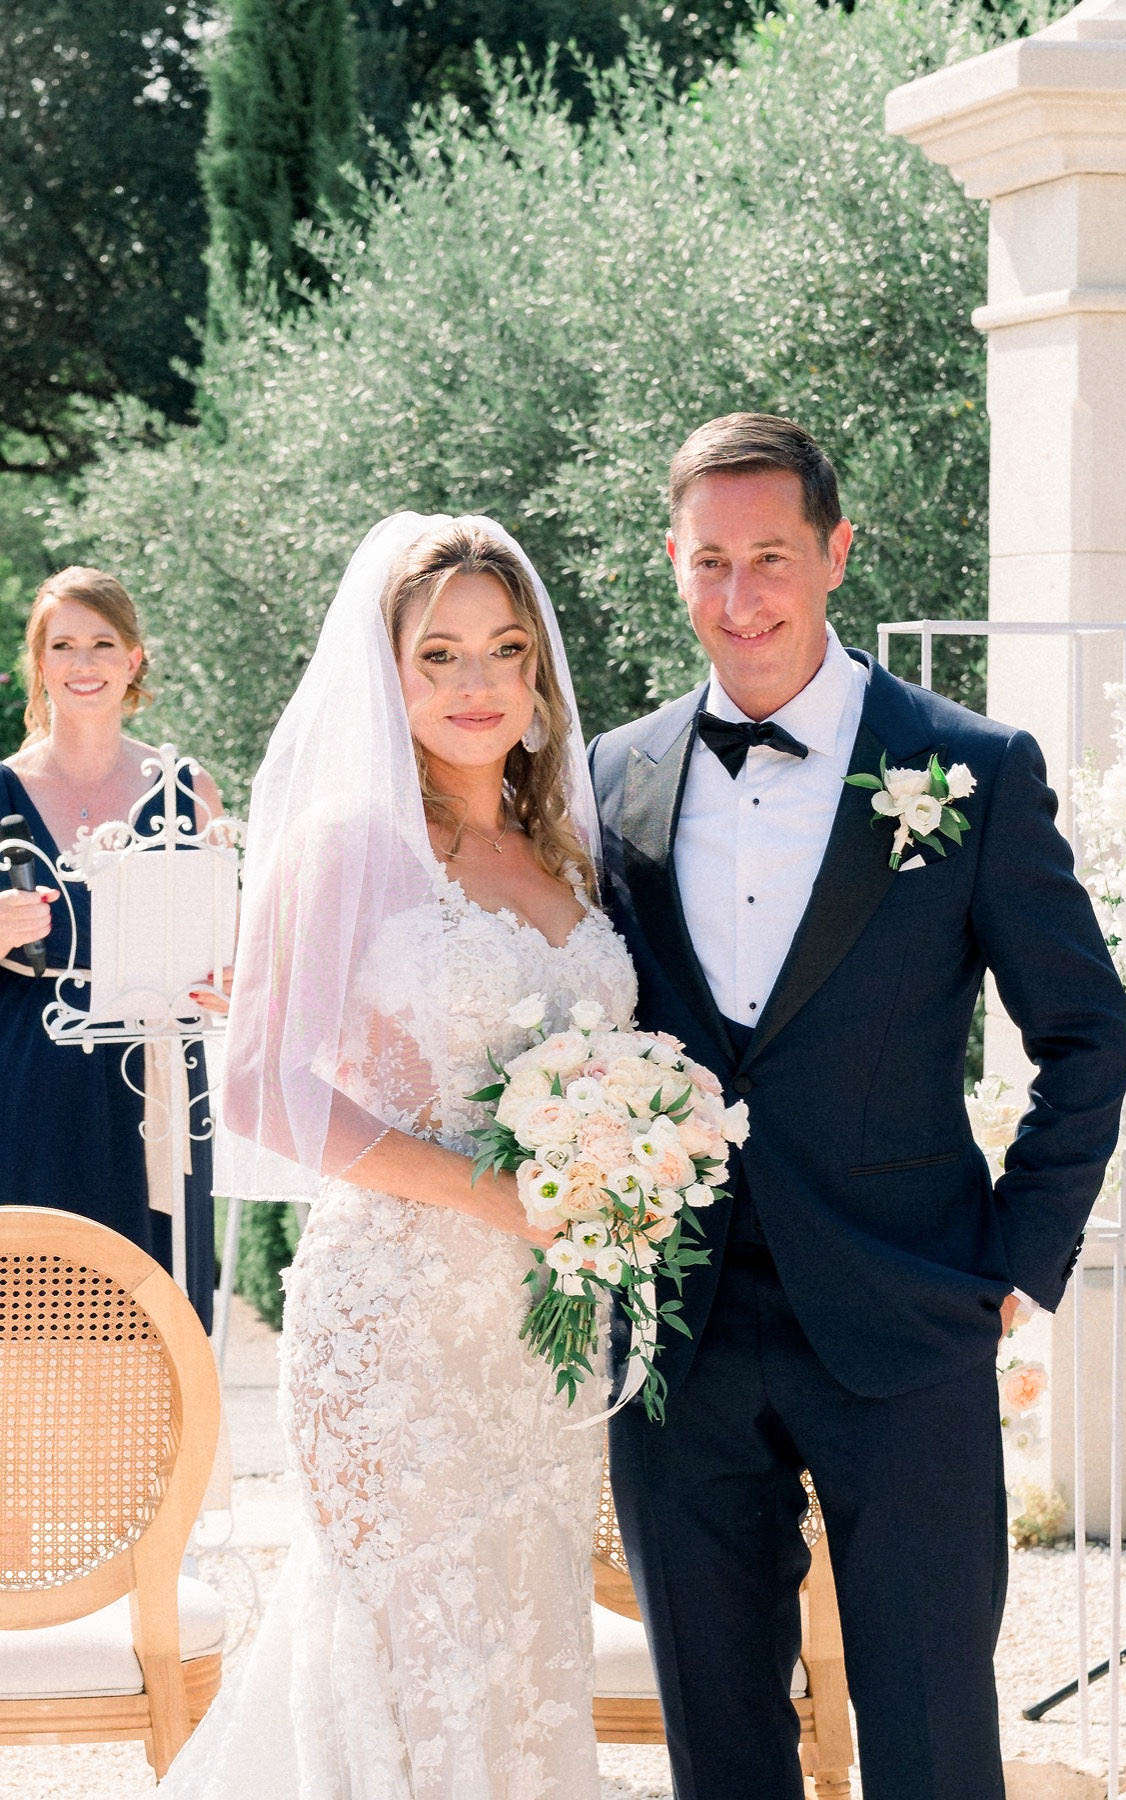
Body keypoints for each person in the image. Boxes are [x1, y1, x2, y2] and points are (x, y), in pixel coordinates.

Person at [588, 414, 1126, 1800]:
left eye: (771, 556)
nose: (742, 596)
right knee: (718, 1743)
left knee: (934, 1733)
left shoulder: (971, 767)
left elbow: (1088, 1035)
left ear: (836, 552)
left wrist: (1015, 1266)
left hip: (908, 1317)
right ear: (673, 567)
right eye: (709, 561)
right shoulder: (612, 780)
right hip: (680, 1333)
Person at [158, 514, 636, 1800]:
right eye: (439, 656)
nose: (478, 684)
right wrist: (498, 1194)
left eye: (505, 650)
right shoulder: (349, 850)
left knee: (528, 1653)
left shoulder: (567, 857)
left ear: (538, 676)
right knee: (407, 1654)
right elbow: (257, 1084)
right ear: (389, 678)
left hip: (539, 1337)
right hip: (394, 1331)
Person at [0, 566, 224, 1329]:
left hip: (155, 1083)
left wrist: (228, 974)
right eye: (63, 645)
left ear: (134, 660)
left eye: (102, 643)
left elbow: (231, 950)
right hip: (26, 1075)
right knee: (30, 1310)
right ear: (40, 663)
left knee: (153, 1315)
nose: (83, 663)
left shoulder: (188, 790)